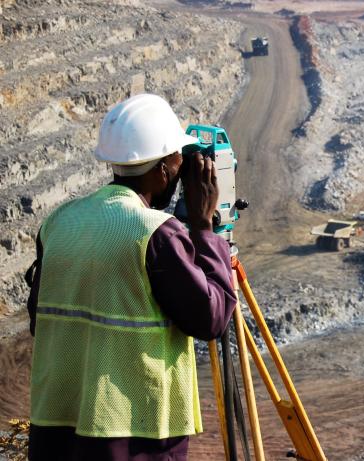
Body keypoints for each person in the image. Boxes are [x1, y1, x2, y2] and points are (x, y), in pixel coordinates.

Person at [25, 93, 238, 461]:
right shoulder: (156, 234)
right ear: (163, 168)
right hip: (135, 440)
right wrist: (205, 227)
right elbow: (212, 318)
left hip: (57, 435)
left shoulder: (60, 221)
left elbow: (38, 319)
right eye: (178, 157)